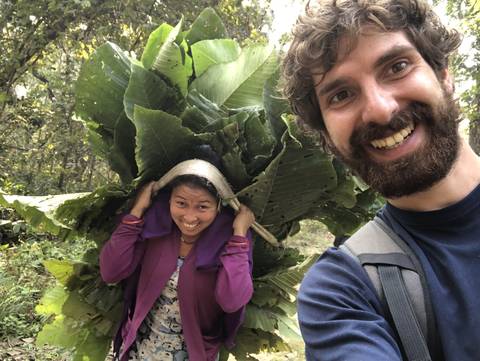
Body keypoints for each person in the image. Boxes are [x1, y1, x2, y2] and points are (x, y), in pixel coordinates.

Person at [282, 0, 480, 360]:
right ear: (326, 135)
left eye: (397, 67)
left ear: (444, 73)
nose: (379, 109)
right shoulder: (341, 291)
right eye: (341, 95)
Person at [99, 161, 255, 361]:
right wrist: (137, 209)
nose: (190, 217)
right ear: (169, 200)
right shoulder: (156, 227)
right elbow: (110, 271)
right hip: (139, 350)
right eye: (181, 203)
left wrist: (240, 233)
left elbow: (232, 301)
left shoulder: (228, 243)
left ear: (218, 206)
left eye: (202, 206)